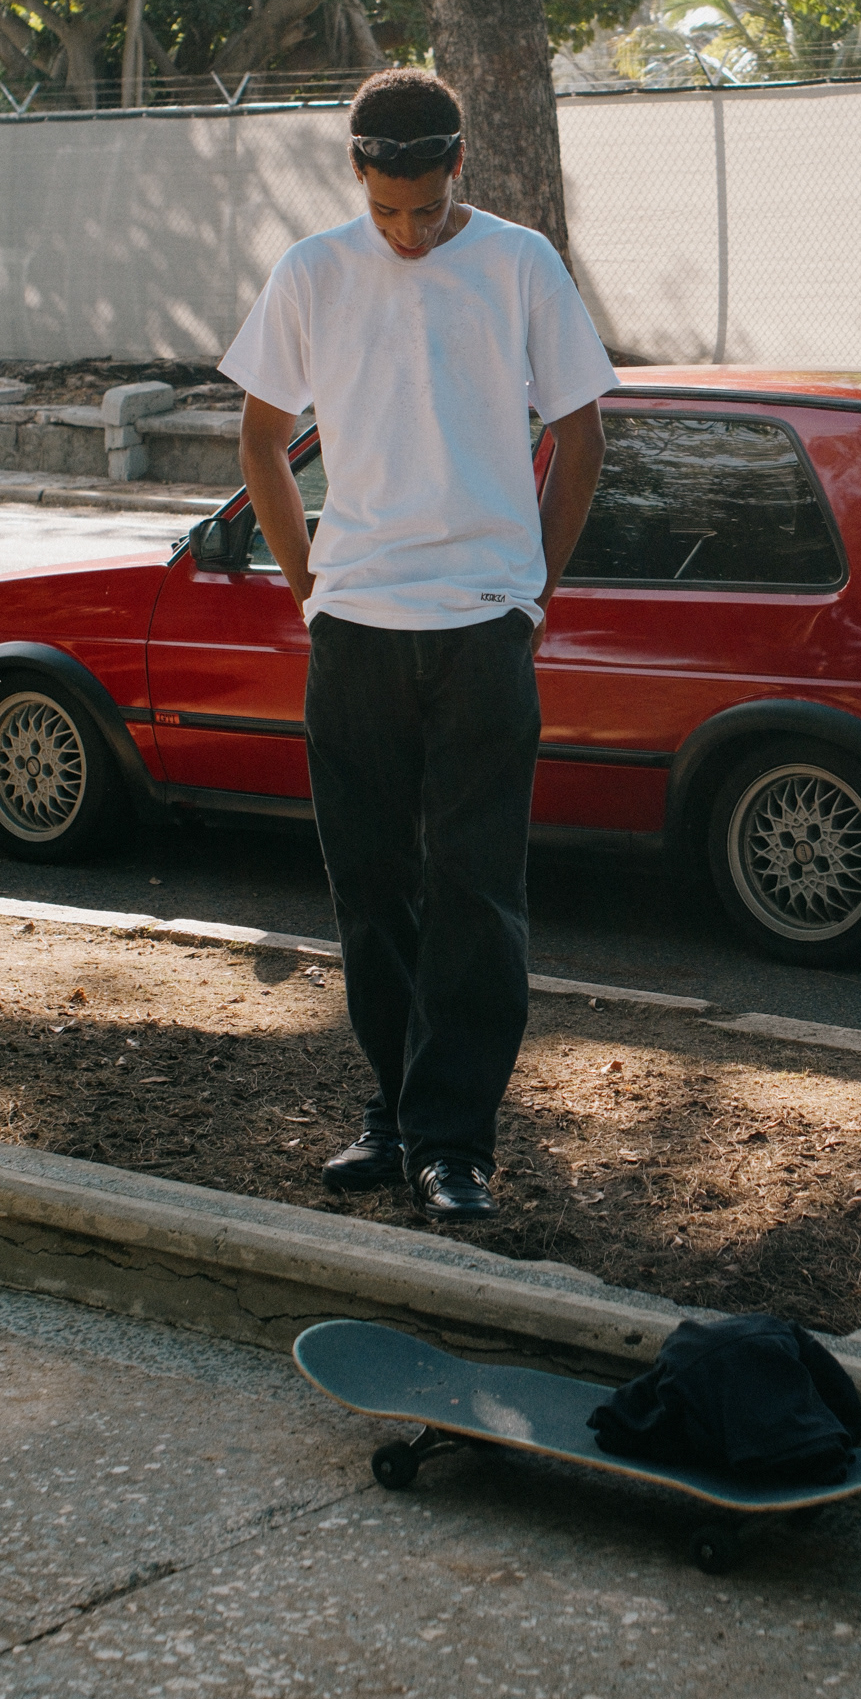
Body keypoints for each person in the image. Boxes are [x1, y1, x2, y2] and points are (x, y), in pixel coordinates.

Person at [219, 67, 616, 1224]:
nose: (408, 231)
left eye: (429, 208)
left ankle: (455, 1143)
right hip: (355, 629)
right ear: (358, 173)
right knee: (371, 889)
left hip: (482, 624)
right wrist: (310, 586)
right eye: (388, 209)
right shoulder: (313, 270)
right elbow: (260, 436)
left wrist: (531, 593)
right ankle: (394, 1111)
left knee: (477, 894)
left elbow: (584, 436)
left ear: (459, 169)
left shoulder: (520, 262)